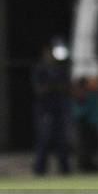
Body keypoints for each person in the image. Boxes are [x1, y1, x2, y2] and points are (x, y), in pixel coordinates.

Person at [32, 44, 70, 175]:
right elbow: (39, 90)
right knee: (44, 138)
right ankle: (39, 169)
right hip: (45, 109)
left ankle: (65, 168)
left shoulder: (60, 69)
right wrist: (52, 87)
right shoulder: (40, 69)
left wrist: (56, 87)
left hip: (58, 108)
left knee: (62, 139)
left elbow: (66, 87)